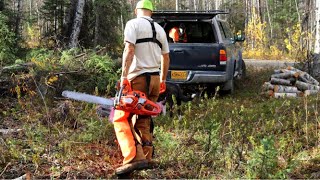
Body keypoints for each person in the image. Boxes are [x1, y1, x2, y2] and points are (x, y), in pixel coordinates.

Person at [112, 0, 170, 176]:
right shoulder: (160, 30)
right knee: (144, 119)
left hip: (137, 78)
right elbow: (166, 57)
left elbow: (129, 50)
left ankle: (132, 158)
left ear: (136, 10)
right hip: (154, 79)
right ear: (151, 12)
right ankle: (146, 157)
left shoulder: (133, 24)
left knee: (121, 118)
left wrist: (123, 77)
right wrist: (162, 80)